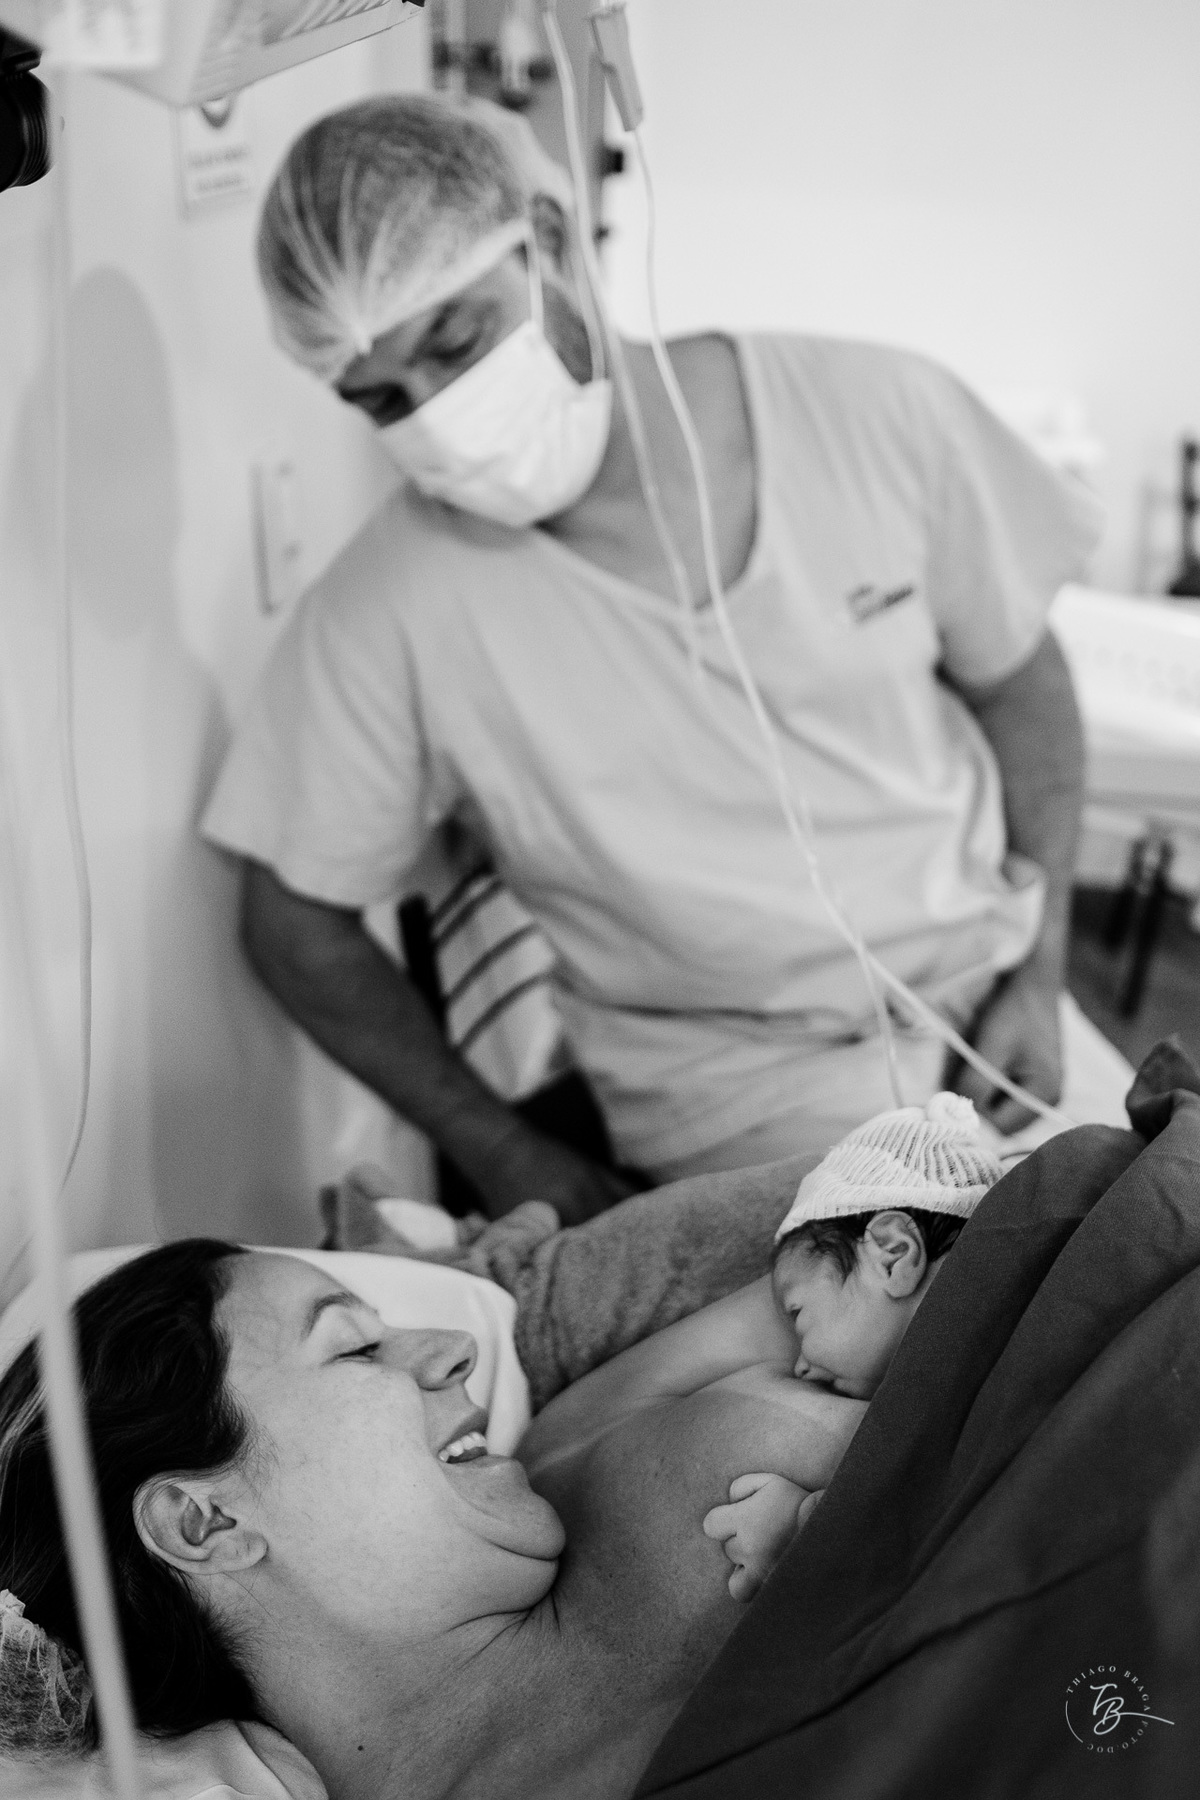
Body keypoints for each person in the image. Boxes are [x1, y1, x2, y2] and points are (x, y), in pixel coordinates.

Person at [202, 92, 1102, 1225]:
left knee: (1156, 1265)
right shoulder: (387, 611)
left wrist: (1043, 964)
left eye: (458, 340)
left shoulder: (875, 414)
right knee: (976, 1349)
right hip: (737, 1103)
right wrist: (505, 1151)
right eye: (382, 397)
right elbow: (290, 921)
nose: (439, 417)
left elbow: (1023, 680)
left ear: (549, 235)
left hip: (995, 1004)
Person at [0, 1238, 865, 1800]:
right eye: (357, 1346)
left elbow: (890, 1254)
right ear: (203, 1524)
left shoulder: (583, 1441)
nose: (459, 1350)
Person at [700, 1090, 1003, 1600]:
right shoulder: (945, 1359)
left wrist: (797, 1533)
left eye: (798, 1315)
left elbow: (931, 1513)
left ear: (891, 1254)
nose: (798, 1367)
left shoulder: (974, 1339)